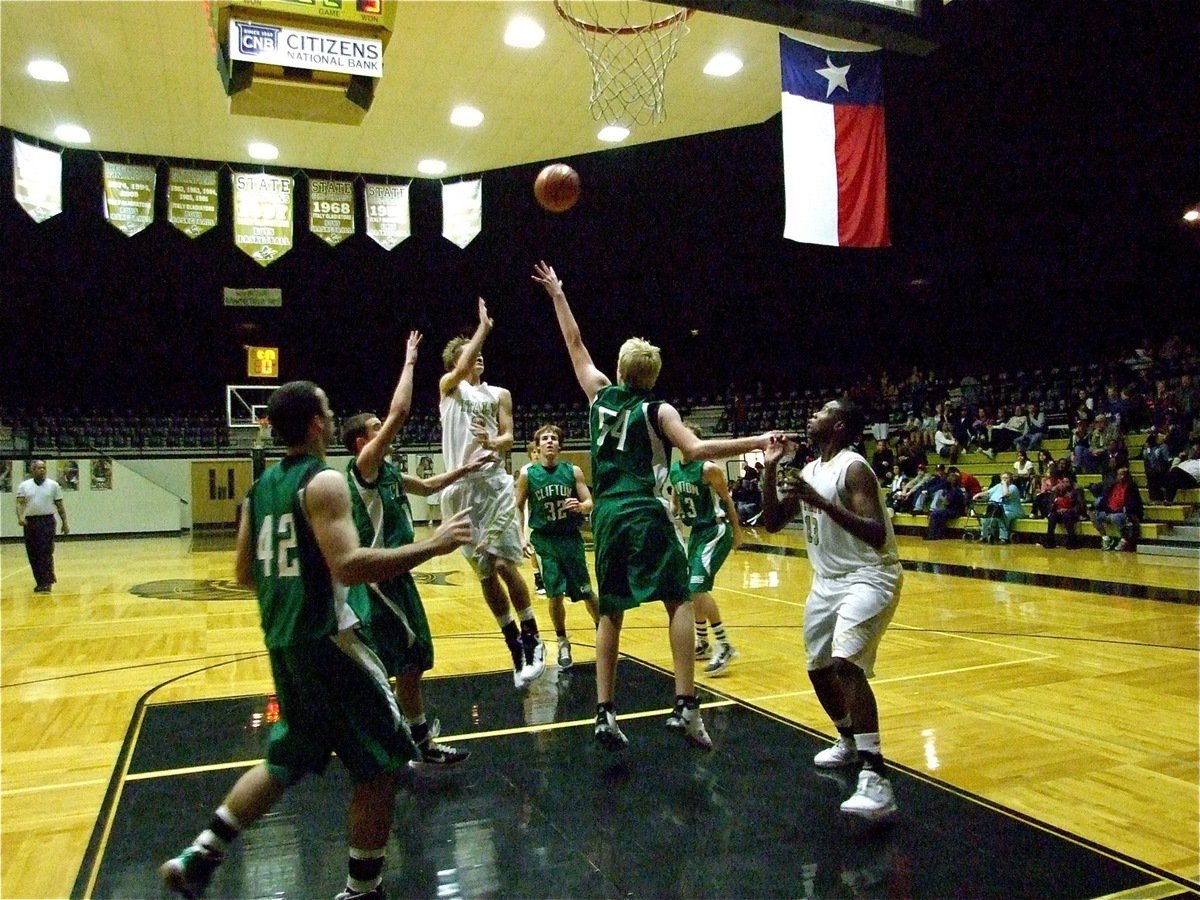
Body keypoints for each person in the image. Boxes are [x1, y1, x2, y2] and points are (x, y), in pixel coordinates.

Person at [160, 380, 473, 900]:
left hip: (285, 642)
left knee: (287, 756)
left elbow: (242, 572)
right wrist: (433, 545)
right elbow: (349, 566)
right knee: (384, 764)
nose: (331, 420)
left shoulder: (258, 490)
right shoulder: (325, 481)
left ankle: (199, 855)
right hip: (332, 640)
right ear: (314, 424)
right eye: (327, 412)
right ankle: (361, 889)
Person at [532, 261, 779, 753]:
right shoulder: (658, 409)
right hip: (645, 510)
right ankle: (686, 704)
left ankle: (604, 713)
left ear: (620, 370)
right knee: (679, 600)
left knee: (610, 614)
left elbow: (575, 345)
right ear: (653, 376)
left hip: (605, 516)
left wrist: (559, 294)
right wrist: (760, 440)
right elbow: (699, 451)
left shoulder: (599, 396)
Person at [342, 332, 489, 770]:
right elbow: (401, 411)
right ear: (361, 442)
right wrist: (409, 360)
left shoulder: (384, 469)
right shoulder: (364, 466)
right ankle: (393, 738)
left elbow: (424, 486)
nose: (381, 431)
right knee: (394, 662)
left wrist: (465, 468)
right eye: (374, 429)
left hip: (397, 574)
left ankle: (413, 735)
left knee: (409, 661)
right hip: (381, 579)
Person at [759, 397, 902, 822]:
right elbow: (770, 522)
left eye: (822, 412)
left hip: (869, 575)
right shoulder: (810, 470)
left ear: (839, 426)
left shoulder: (854, 467)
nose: (811, 416)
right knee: (818, 667)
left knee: (845, 665)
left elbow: (876, 534)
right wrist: (769, 468)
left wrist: (821, 503)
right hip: (827, 583)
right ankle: (848, 739)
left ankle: (877, 779)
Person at [439, 298, 546, 689]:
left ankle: (533, 636)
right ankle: (513, 644)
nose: (479, 357)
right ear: (459, 362)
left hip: (492, 484)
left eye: (481, 352)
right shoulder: (448, 388)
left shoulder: (499, 394)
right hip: (458, 490)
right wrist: (483, 326)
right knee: (484, 574)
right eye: (472, 354)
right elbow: (464, 364)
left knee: (503, 564)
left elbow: (509, 436)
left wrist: (494, 440)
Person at [514, 423, 599, 671]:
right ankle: (563, 641)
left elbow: (589, 501)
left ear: (559, 445)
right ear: (537, 446)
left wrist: (583, 507)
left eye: (553, 438)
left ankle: (602, 629)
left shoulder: (573, 471)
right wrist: (520, 537)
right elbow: (518, 506)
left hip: (570, 538)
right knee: (554, 594)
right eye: (545, 438)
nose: (549, 441)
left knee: (586, 591)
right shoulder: (528, 474)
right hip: (545, 539)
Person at [669, 433, 746, 676]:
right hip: (696, 534)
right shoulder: (675, 471)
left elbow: (727, 500)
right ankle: (702, 642)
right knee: (693, 592)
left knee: (697, 588)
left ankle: (724, 645)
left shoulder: (708, 469)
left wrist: (737, 531)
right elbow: (675, 505)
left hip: (715, 529)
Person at [15, 459, 68, 592]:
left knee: (45, 551)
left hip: (47, 521)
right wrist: (20, 517)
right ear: (33, 470)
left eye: (44, 468)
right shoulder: (24, 486)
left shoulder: (53, 485)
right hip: (31, 522)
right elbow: (19, 503)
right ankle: (40, 581)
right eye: (39, 468)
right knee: (33, 552)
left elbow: (60, 505)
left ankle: (47, 580)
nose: (42, 470)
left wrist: (64, 522)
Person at [1090, 467, 1143, 551]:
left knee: (1116, 517)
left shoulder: (1132, 487)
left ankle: (1124, 539)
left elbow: (1132, 504)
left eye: (1124, 474)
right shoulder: (1113, 486)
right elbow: (1105, 499)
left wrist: (1116, 511)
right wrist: (1100, 508)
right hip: (1110, 511)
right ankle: (1105, 538)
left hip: (1125, 512)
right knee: (1093, 514)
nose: (1121, 477)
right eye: (1120, 474)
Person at [976, 471, 1024, 544]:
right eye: (1003, 478)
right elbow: (988, 492)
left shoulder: (1013, 488)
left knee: (1003, 516)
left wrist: (1004, 484)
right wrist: (978, 495)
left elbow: (1005, 494)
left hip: (1012, 510)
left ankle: (1003, 538)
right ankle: (984, 537)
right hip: (997, 508)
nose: (1004, 480)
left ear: (1010, 479)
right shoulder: (998, 486)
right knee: (986, 518)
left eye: (1006, 478)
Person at [1041, 475, 1087, 549]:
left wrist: (1068, 510)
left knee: (1067, 516)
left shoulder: (1077, 491)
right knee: (1052, 516)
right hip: (1060, 512)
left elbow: (1080, 505)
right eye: (1063, 482)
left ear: (1071, 483)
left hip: (1072, 513)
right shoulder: (1058, 491)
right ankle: (1050, 540)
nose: (1065, 484)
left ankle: (1072, 541)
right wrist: (1057, 509)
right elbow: (1052, 503)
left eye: (1067, 482)